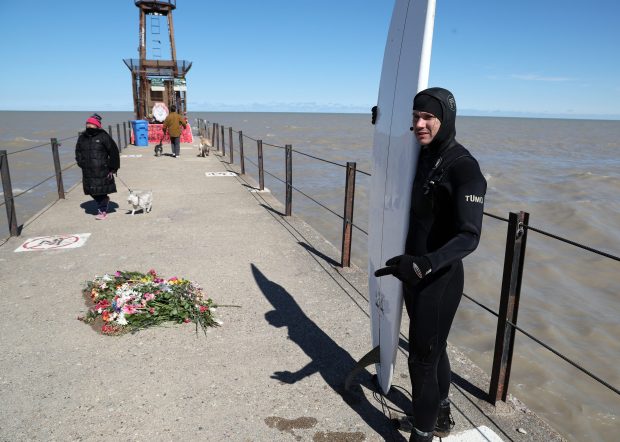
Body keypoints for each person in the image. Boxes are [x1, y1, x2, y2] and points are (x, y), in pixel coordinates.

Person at [374, 88, 487, 442]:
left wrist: (424, 264)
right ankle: (441, 416)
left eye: (427, 118)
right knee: (434, 352)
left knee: (421, 362)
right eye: (414, 117)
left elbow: (470, 237)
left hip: (438, 280)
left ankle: (422, 435)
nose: (419, 124)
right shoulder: (422, 155)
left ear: (445, 119)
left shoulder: (465, 169)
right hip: (413, 274)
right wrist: (382, 123)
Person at [75, 114, 120, 220]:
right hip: (87, 169)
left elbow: (113, 151)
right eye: (88, 124)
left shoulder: (103, 136)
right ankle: (104, 200)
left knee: (101, 190)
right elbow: (78, 151)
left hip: (102, 169)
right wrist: (80, 162)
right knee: (90, 190)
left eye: (91, 124)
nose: (89, 126)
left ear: (97, 125)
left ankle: (102, 210)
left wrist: (113, 166)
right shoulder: (82, 137)